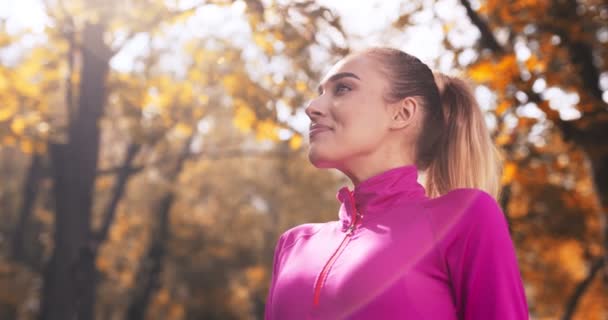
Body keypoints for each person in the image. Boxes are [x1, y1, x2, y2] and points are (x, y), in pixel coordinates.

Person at [264, 47, 529, 319]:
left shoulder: (464, 217)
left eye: (342, 88)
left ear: (402, 113)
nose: (312, 107)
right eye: (320, 93)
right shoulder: (294, 244)